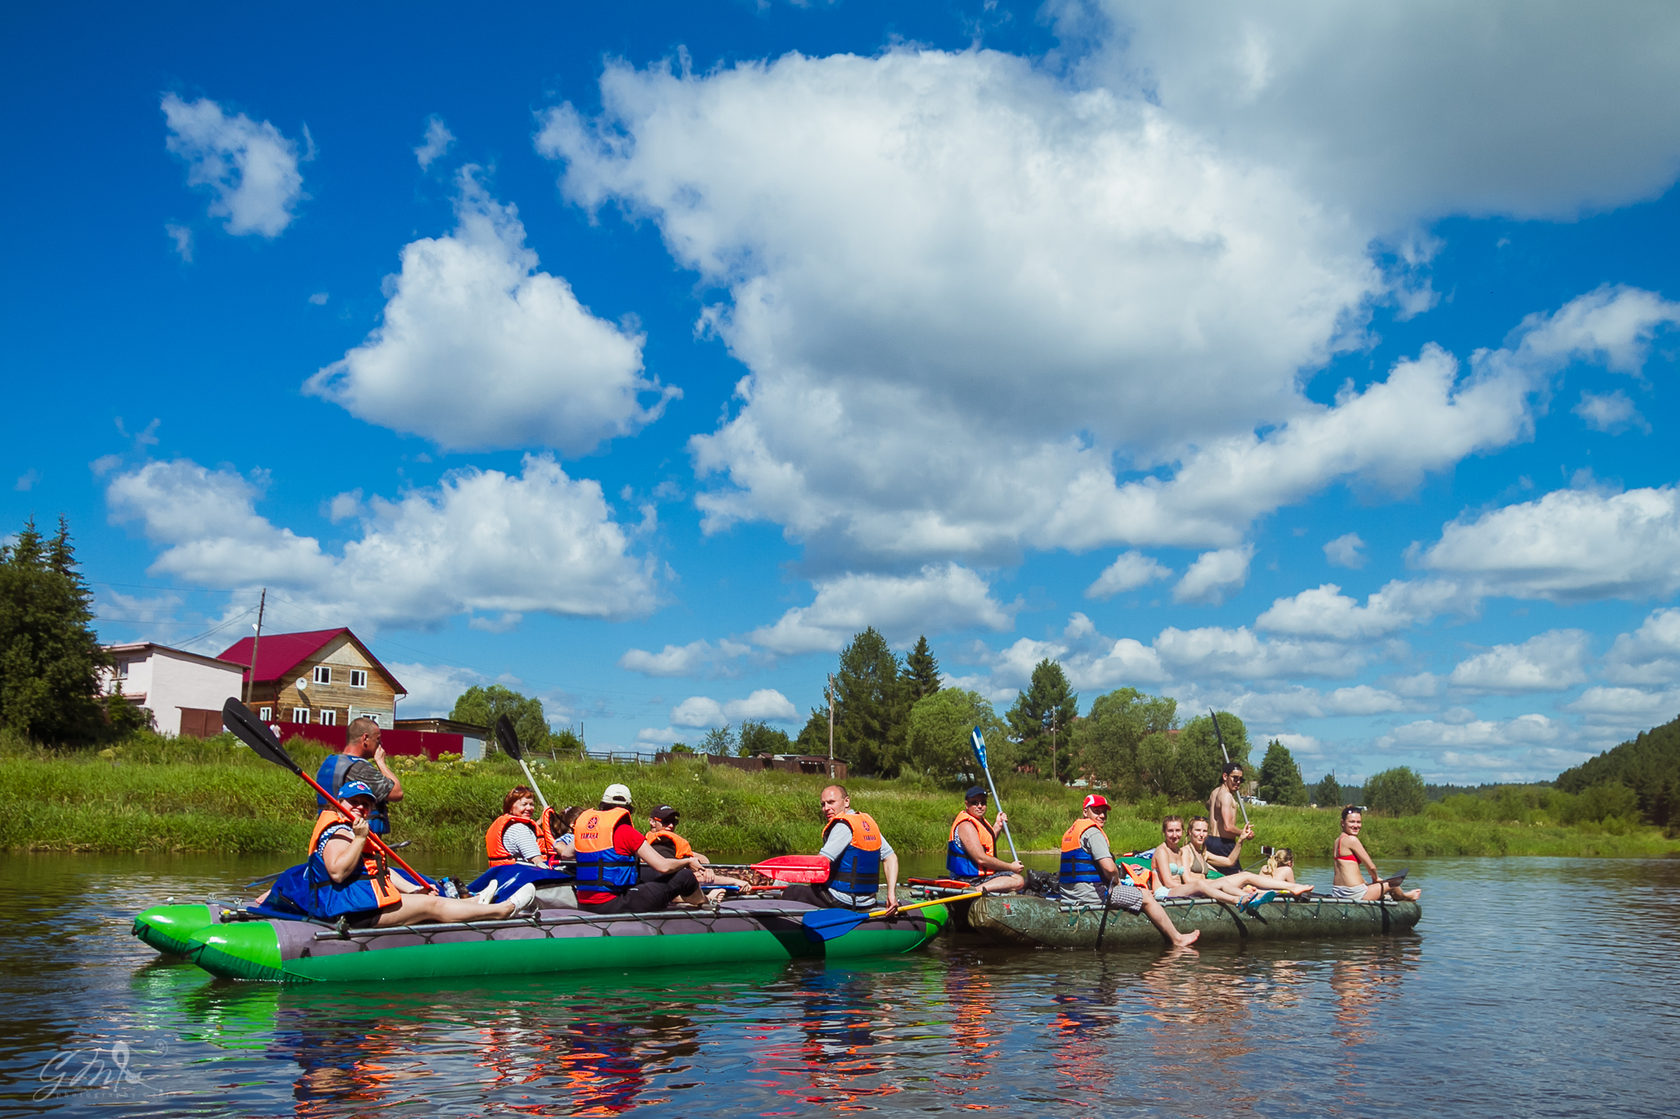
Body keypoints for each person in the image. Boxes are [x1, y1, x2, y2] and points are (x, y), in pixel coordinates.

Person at [308, 782, 536, 926]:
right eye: (353, 802)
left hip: (362, 902)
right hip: (349, 909)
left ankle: (477, 902)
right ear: (339, 804)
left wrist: (414, 889)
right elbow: (337, 873)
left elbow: (380, 872)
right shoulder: (338, 832)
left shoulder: (353, 829)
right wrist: (359, 838)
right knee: (431, 907)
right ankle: (502, 910)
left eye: (365, 804)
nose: (360, 808)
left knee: (426, 898)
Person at [1060, 794, 1199, 948]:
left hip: (1070, 895)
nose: (1101, 815)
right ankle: (1177, 938)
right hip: (1092, 895)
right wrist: (1118, 883)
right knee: (1146, 896)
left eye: (1104, 812)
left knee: (1141, 891)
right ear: (1085, 812)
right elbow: (1109, 867)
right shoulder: (1093, 832)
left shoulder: (1071, 832)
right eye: (1096, 811)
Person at [573, 784, 712, 913]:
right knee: (684, 876)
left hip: (584, 903)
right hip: (614, 904)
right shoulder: (626, 831)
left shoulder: (586, 833)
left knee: (645, 872)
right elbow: (663, 866)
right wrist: (687, 862)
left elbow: (565, 852)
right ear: (628, 809)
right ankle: (705, 903)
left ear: (602, 806)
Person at [779, 785, 900, 914]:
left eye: (831, 802)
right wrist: (891, 894)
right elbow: (891, 857)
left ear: (846, 801)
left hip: (841, 901)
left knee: (792, 891)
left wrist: (780, 878)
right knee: (815, 886)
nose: (826, 808)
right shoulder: (867, 825)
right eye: (823, 804)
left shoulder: (843, 826)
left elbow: (820, 863)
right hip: (868, 901)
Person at [1185, 816, 1312, 899]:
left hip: (1211, 885)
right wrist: (1213, 882)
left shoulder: (1203, 853)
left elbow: (1229, 861)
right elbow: (1187, 880)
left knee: (1246, 879)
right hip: (1202, 888)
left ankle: (1269, 894)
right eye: (1198, 831)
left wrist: (1240, 840)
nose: (1201, 835)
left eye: (1204, 831)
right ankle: (1291, 887)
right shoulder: (1186, 851)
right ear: (1190, 832)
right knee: (1246, 876)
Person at [315, 717, 403, 836]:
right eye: (377, 740)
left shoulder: (328, 763)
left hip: (330, 832)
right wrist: (380, 761)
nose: (380, 744)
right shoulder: (360, 769)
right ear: (365, 738)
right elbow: (397, 793)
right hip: (355, 838)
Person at [645, 805, 750, 891]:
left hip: (694, 878)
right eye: (666, 821)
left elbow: (698, 856)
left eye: (674, 822)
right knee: (746, 878)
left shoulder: (669, 843)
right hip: (673, 890)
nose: (671, 825)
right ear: (652, 822)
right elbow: (684, 879)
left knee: (743, 872)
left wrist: (706, 868)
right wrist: (735, 881)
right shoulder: (656, 848)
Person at [1332, 806, 1422, 902]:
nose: (1356, 825)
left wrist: (1367, 884)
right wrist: (1376, 879)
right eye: (1352, 822)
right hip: (1355, 894)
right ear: (1342, 823)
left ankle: (1390, 895)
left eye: (1358, 822)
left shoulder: (1337, 841)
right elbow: (1371, 867)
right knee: (1392, 884)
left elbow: (1346, 871)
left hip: (1338, 891)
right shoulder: (1352, 840)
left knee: (1375, 886)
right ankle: (1408, 896)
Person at [945, 785, 1024, 894]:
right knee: (1018, 880)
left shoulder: (979, 821)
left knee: (1017, 879)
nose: (980, 806)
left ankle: (983, 888)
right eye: (975, 803)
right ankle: (976, 890)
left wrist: (997, 826)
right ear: (967, 804)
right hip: (967, 879)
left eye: (983, 802)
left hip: (978, 877)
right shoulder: (966, 825)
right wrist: (1010, 867)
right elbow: (981, 858)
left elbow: (986, 846)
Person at [485, 785, 557, 868]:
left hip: (502, 875)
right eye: (524, 804)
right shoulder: (519, 829)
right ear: (511, 807)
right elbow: (536, 860)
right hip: (520, 876)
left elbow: (525, 836)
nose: (529, 808)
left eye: (531, 804)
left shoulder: (513, 826)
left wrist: (540, 821)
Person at [1206, 761, 1249, 871]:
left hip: (1210, 841)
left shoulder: (1214, 792)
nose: (1238, 782)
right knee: (1237, 878)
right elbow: (1228, 827)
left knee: (1217, 877)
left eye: (1241, 779)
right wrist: (1244, 833)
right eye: (1235, 778)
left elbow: (1208, 805)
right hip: (1224, 844)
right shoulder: (1226, 796)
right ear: (1225, 776)